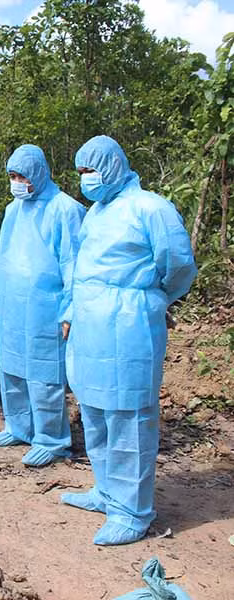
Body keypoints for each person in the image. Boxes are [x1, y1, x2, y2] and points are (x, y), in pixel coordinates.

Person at [61, 135, 197, 546]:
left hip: (130, 324)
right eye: (81, 172)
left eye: (92, 170)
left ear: (115, 166)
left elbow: (178, 266)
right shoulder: (95, 214)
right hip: (90, 326)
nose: (86, 179)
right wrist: (71, 312)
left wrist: (149, 298)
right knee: (96, 411)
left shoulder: (150, 208)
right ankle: (106, 491)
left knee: (128, 418)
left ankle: (132, 511)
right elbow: (83, 270)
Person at [0, 144, 85, 467]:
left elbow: (75, 265)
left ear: (39, 173)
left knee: (45, 375)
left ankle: (52, 439)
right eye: (12, 176)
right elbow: (4, 257)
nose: (17, 182)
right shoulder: (12, 211)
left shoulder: (64, 209)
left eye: (22, 176)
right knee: (13, 368)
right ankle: (19, 426)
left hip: (47, 309)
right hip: (14, 306)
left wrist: (71, 309)